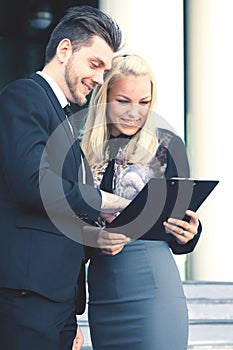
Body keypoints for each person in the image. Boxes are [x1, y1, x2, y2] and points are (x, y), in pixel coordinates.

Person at [0, 6, 131, 350]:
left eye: (105, 69)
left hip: (56, 300)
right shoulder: (23, 96)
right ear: (64, 51)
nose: (100, 79)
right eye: (94, 64)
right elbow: (32, 182)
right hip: (28, 298)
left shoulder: (63, 118)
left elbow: (60, 208)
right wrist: (103, 200)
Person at [80, 54, 202, 349]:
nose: (134, 112)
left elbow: (181, 220)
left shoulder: (168, 146)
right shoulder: (79, 148)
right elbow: (65, 223)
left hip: (153, 285)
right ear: (103, 98)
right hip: (103, 287)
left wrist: (190, 233)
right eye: (123, 101)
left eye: (144, 102)